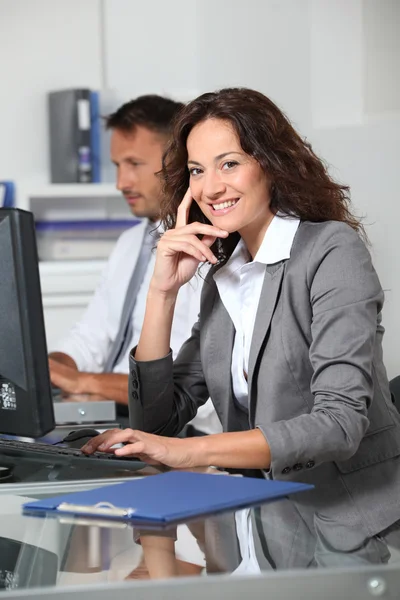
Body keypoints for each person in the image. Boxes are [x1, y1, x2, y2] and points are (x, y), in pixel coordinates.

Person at [82, 88, 400, 568]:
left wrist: (189, 452)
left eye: (228, 164)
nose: (210, 188)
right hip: (262, 527)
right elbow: (157, 421)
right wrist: (161, 293)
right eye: (196, 171)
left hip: (350, 532)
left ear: (270, 163)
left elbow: (339, 425)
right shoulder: (225, 274)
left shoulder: (331, 251)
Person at [49, 94, 220, 435]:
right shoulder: (130, 243)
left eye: (134, 164)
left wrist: (84, 382)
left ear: (176, 161)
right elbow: (90, 340)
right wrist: (47, 370)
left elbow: (189, 382)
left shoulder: (206, 247)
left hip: (179, 430)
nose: (121, 182)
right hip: (109, 417)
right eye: (116, 165)